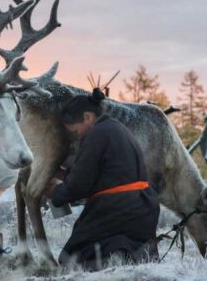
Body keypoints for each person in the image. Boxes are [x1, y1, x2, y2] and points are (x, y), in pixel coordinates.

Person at [44, 88, 160, 270]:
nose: (77, 136)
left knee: (71, 259)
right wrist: (63, 174)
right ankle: (125, 261)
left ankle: (113, 265)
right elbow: (103, 174)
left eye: (76, 131)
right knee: (130, 251)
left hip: (117, 209)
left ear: (87, 117)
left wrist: (56, 193)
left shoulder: (96, 135)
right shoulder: (116, 128)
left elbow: (79, 185)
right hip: (143, 209)